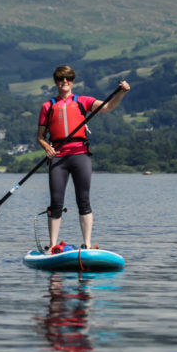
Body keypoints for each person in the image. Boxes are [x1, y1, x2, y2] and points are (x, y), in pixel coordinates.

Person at [37, 65, 129, 253]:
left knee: (83, 200)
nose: (65, 82)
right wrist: (48, 148)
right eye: (61, 79)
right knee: (56, 202)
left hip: (80, 155)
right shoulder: (48, 106)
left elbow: (109, 106)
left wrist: (121, 93)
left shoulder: (83, 101)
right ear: (56, 82)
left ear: (72, 81)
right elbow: (40, 136)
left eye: (69, 79)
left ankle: (86, 244)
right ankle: (53, 245)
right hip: (58, 158)